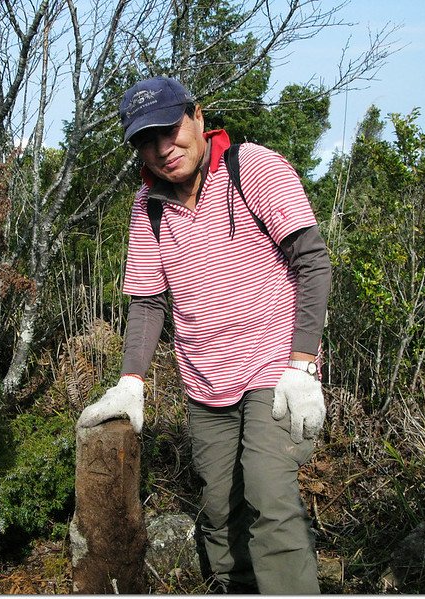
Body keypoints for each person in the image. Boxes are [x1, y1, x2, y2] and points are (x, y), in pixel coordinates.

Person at [78, 76, 331, 594]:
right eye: (146, 140)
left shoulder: (252, 167)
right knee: (218, 509)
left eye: (170, 130)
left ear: (196, 115)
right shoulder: (147, 205)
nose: (163, 149)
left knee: (270, 502)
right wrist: (131, 381)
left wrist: (303, 364)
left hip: (273, 369)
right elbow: (149, 300)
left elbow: (312, 260)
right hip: (204, 380)